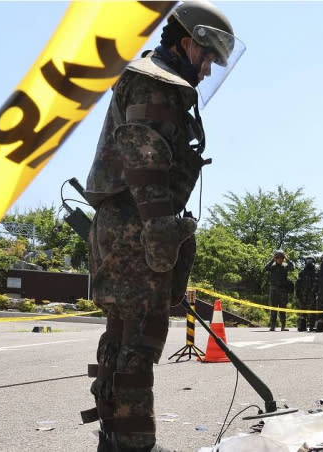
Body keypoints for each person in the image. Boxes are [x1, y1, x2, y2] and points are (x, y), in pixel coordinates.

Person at [79, 2, 245, 450]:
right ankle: (133, 443)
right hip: (137, 223)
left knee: (127, 335)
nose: (208, 70)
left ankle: (118, 437)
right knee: (137, 337)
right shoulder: (156, 81)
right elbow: (144, 158)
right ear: (188, 43)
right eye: (207, 57)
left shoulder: (159, 81)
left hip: (130, 222)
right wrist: (160, 232)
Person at [264, 249, 294, 331]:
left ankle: (283, 326)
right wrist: (272, 259)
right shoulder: (272, 267)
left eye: (281, 258)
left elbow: (292, 267)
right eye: (278, 258)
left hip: (283, 291)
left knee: (283, 310)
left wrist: (287, 258)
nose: (280, 259)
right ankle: (272, 326)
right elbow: (266, 268)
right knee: (273, 309)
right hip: (274, 291)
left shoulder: (285, 266)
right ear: (276, 258)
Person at [294, 256, 318, 332]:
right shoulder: (302, 272)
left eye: (311, 261)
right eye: (308, 261)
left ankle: (312, 326)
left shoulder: (316, 272)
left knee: (313, 311)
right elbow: (298, 283)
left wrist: (318, 293)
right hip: (303, 295)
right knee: (302, 311)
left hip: (313, 295)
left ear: (314, 262)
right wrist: (297, 292)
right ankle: (302, 326)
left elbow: (319, 284)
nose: (309, 262)